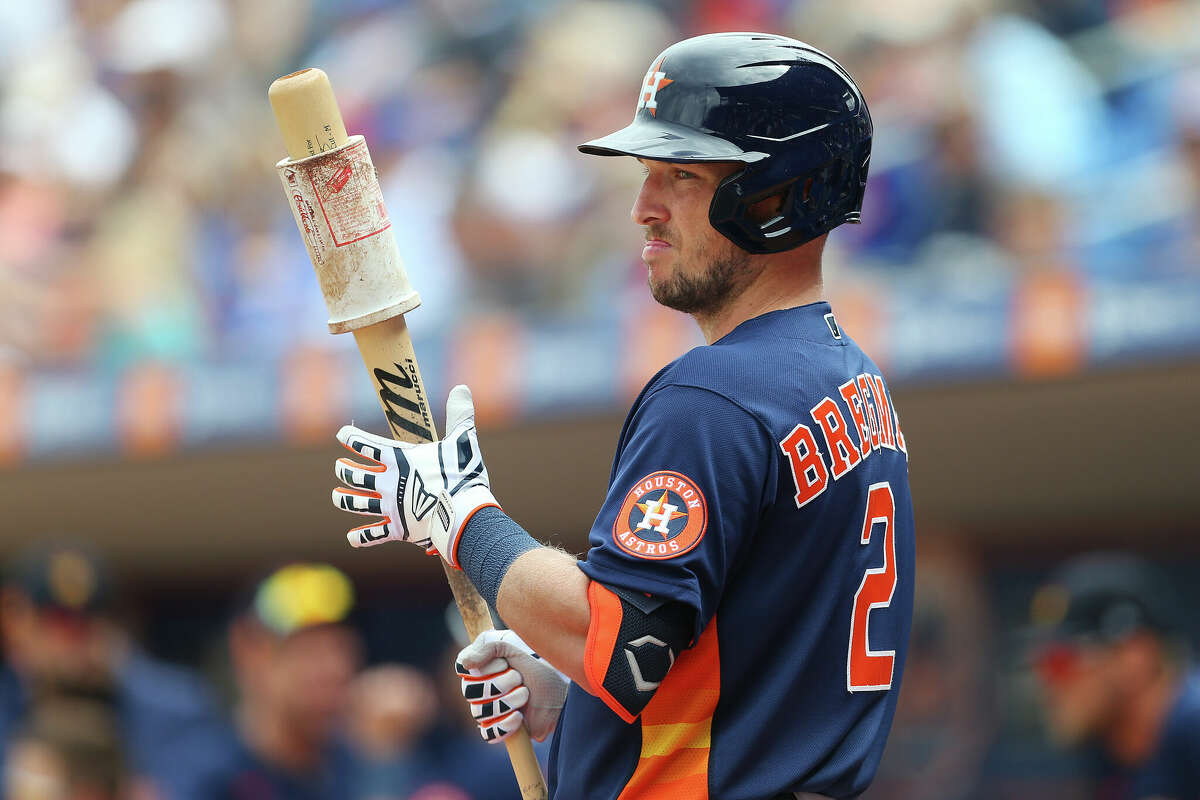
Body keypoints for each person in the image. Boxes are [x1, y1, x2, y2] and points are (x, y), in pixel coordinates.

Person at [331, 32, 915, 799]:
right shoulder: (854, 382)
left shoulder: (713, 396)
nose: (643, 209)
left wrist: (462, 516)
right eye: (647, 175)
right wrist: (572, 703)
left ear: (777, 193)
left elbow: (623, 649)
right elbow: (729, 664)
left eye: (680, 174)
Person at [0, 542, 228, 800]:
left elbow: (205, 781)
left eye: (86, 622)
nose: (72, 641)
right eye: (58, 622)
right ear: (14, 620)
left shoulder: (177, 704)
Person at [1030, 554, 1200, 799]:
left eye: (1059, 663)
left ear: (1134, 657)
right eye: (1040, 666)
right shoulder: (1111, 757)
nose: (1046, 681)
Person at [213, 563, 362, 800]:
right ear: (246, 650)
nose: (333, 669)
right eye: (307, 648)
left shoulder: (364, 765)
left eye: (341, 647)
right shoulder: (200, 776)